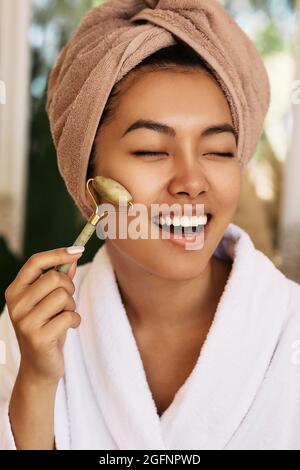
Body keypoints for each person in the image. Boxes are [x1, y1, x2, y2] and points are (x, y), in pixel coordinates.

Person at [1, 0, 300, 450]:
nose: (192, 181)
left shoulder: (289, 328)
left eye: (218, 151)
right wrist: (37, 384)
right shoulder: (28, 333)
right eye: (150, 151)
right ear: (89, 180)